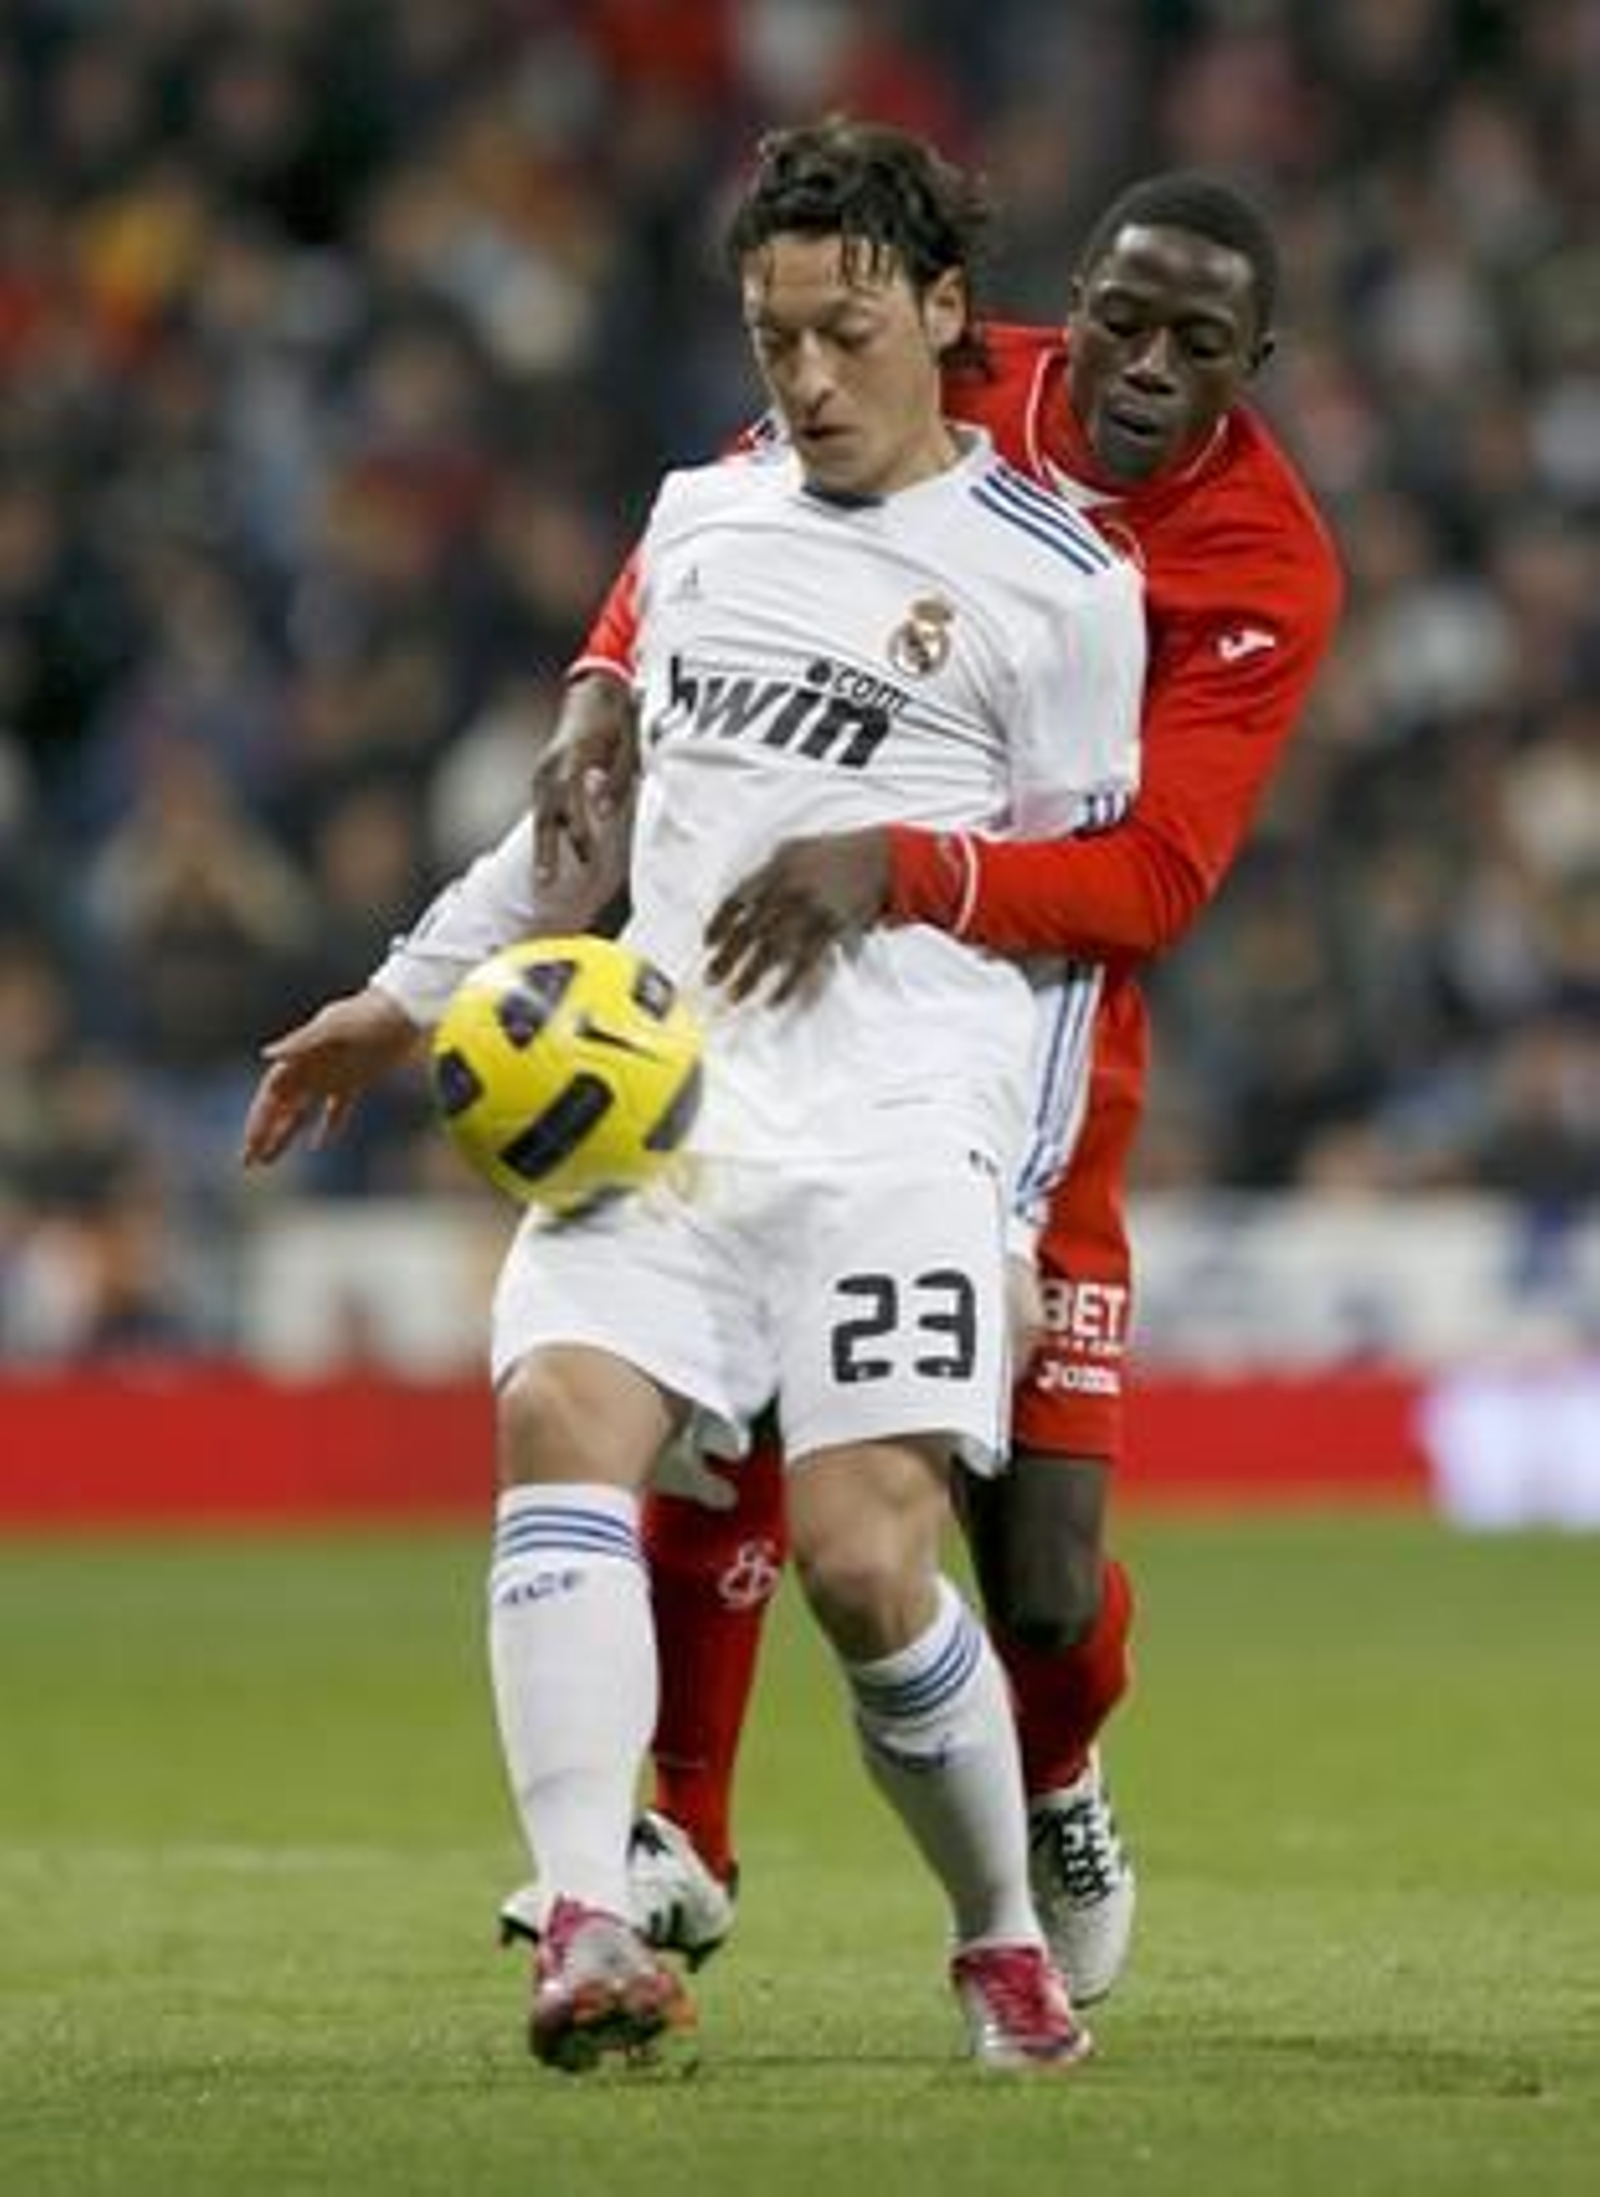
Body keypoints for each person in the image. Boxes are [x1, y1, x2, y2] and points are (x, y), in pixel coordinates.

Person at [243, 118, 1145, 2073]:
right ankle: (586, 1920)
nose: (805, 379)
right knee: (554, 1417)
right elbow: (586, 819)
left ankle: (998, 1937)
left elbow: (1078, 935)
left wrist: (1012, 1214)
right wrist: (400, 999)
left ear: (939, 310)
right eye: (771, 340)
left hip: (902, 1137)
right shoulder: (698, 521)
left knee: (865, 1562)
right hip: (663, 1117)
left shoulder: (1064, 588)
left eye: (843, 334)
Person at [503, 166, 1344, 2005]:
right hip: (809, 1012)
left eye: (1197, 343)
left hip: (1042, 1050)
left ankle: (1058, 1774)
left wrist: (896, 865)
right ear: (1069, 303)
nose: (1142, 364)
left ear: (1254, 364)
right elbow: (717, 525)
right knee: (730, 1402)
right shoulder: (955, 376)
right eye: (1121, 319)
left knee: (1036, 1581)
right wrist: (602, 676)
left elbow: (1155, 880)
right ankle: (683, 1829)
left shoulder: (1262, 565)